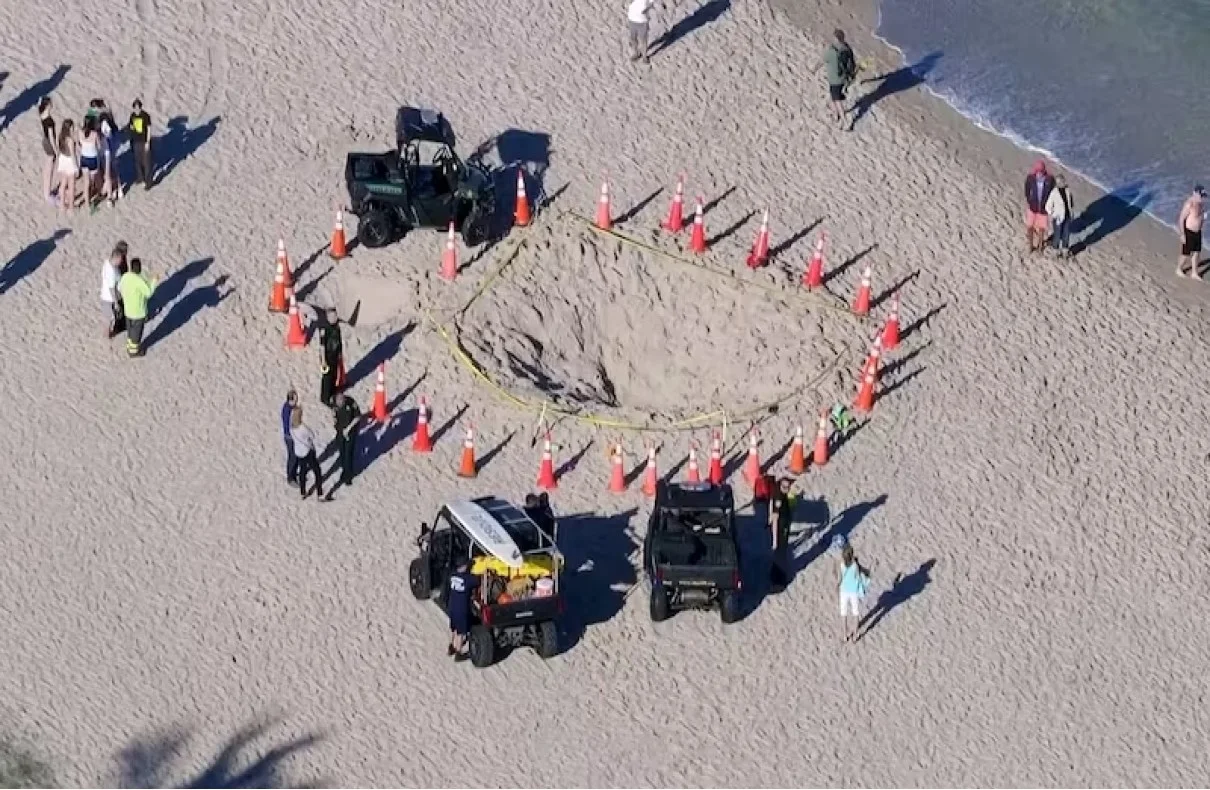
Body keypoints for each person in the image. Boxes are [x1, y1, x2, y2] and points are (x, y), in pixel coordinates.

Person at [117, 258, 157, 357]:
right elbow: (148, 293)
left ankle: (129, 346)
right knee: (136, 334)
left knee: (130, 330)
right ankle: (133, 352)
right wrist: (154, 282)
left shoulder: (125, 277)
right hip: (138, 312)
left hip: (128, 310)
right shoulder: (139, 281)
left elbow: (119, 288)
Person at [818, 30, 858, 130]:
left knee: (837, 100)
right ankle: (835, 115)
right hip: (844, 78)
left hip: (834, 79)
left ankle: (844, 120)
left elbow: (822, 61)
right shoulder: (847, 48)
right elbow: (852, 63)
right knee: (834, 96)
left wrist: (813, 69)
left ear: (836, 39)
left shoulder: (832, 51)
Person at [447, 558, 480, 660]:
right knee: (461, 632)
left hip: (452, 606)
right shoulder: (468, 579)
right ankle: (458, 652)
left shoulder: (453, 575)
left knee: (455, 628)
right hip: (462, 608)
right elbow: (477, 581)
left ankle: (452, 646)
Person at [837, 542, 871, 643]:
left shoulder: (841, 565)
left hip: (844, 591)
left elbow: (839, 579)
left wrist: (837, 586)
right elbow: (857, 576)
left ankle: (845, 635)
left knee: (844, 613)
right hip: (853, 592)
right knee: (855, 613)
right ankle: (855, 635)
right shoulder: (855, 566)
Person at [290, 406, 323, 500]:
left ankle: (303, 492)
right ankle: (320, 493)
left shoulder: (291, 428)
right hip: (307, 451)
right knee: (317, 470)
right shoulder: (303, 427)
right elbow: (312, 435)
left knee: (302, 471)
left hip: (298, 452)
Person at [1024, 160, 1055, 253]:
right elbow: (1027, 190)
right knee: (1030, 227)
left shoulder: (1050, 179)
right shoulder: (1030, 178)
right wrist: (1029, 200)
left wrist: (1050, 204)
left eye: (1041, 171)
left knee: (1042, 228)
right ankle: (1031, 246)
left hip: (1043, 208)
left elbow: (1053, 192)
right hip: (1032, 206)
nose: (1039, 173)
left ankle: (1040, 246)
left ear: (1044, 170)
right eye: (1037, 171)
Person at [769, 477, 794, 589]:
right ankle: (779, 580)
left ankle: (776, 577)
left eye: (788, 487)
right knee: (780, 557)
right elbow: (775, 519)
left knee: (780, 556)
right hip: (780, 532)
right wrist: (774, 540)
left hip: (783, 529)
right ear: (780, 486)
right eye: (785, 487)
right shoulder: (779, 498)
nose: (787, 489)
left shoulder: (779, 493)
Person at [332, 392, 362, 487]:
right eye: (338, 401)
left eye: (341, 400)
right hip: (340, 432)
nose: (340, 403)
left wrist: (348, 429)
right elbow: (334, 414)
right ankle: (344, 471)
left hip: (350, 433)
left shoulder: (351, 403)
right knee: (342, 453)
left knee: (348, 454)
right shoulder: (335, 404)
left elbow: (358, 417)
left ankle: (348, 476)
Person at [100, 242, 129, 339]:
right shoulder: (112, 271)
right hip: (110, 299)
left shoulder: (108, 262)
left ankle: (109, 333)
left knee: (111, 317)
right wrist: (116, 302)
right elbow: (112, 288)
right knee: (109, 319)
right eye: (120, 259)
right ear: (116, 258)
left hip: (111, 296)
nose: (121, 261)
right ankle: (107, 335)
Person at [1176, 185, 1205, 281]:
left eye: (1202, 195)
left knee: (1197, 253)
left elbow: (1200, 217)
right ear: (1195, 193)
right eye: (1200, 195)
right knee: (1186, 254)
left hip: (1198, 232)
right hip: (1188, 231)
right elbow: (1181, 219)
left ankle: (1194, 273)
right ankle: (1179, 269)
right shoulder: (1189, 204)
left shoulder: (1201, 203)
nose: (1202, 197)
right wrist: (1182, 234)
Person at [318, 309, 344, 408]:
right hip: (327, 357)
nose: (335, 318)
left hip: (335, 355)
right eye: (333, 316)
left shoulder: (337, 328)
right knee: (327, 377)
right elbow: (322, 346)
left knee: (334, 375)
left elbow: (339, 340)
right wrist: (323, 360)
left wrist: (340, 353)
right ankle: (325, 397)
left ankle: (332, 392)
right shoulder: (324, 329)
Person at [1045, 174, 1074, 258]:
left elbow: (1070, 203)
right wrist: (1054, 214)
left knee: (1066, 234)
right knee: (1057, 235)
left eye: (1063, 181)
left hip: (1067, 216)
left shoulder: (1068, 190)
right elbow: (1048, 206)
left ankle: (1065, 251)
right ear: (1057, 183)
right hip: (1058, 218)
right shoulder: (1054, 193)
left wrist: (1071, 212)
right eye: (1060, 181)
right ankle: (1055, 251)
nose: (1062, 182)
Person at [127, 99, 153, 190]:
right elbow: (130, 126)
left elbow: (149, 129)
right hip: (136, 141)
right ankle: (140, 178)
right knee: (137, 161)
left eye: (138, 108)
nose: (137, 110)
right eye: (135, 108)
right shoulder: (132, 116)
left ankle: (148, 181)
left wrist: (148, 142)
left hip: (144, 141)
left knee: (146, 162)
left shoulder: (145, 116)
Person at [79, 115, 102, 211]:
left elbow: (79, 143)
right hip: (92, 158)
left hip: (84, 158)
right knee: (92, 181)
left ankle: (87, 204)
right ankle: (94, 196)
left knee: (86, 182)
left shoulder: (80, 132)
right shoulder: (95, 134)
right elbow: (99, 146)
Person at [55, 119, 78, 213]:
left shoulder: (60, 136)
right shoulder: (70, 140)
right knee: (71, 185)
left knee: (63, 184)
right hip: (69, 161)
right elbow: (73, 154)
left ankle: (61, 206)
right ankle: (71, 208)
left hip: (62, 159)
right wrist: (76, 166)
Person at [38, 97, 57, 204]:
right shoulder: (49, 120)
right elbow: (52, 138)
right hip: (49, 144)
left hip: (44, 141)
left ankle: (46, 191)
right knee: (50, 169)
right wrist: (56, 150)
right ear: (47, 105)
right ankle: (47, 194)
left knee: (47, 167)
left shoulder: (42, 115)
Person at [281, 389, 299, 485]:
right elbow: (288, 425)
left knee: (295, 456)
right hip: (290, 437)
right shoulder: (288, 410)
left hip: (293, 435)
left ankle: (293, 473)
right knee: (293, 457)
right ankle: (290, 477)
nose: (296, 402)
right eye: (295, 400)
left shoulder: (291, 408)